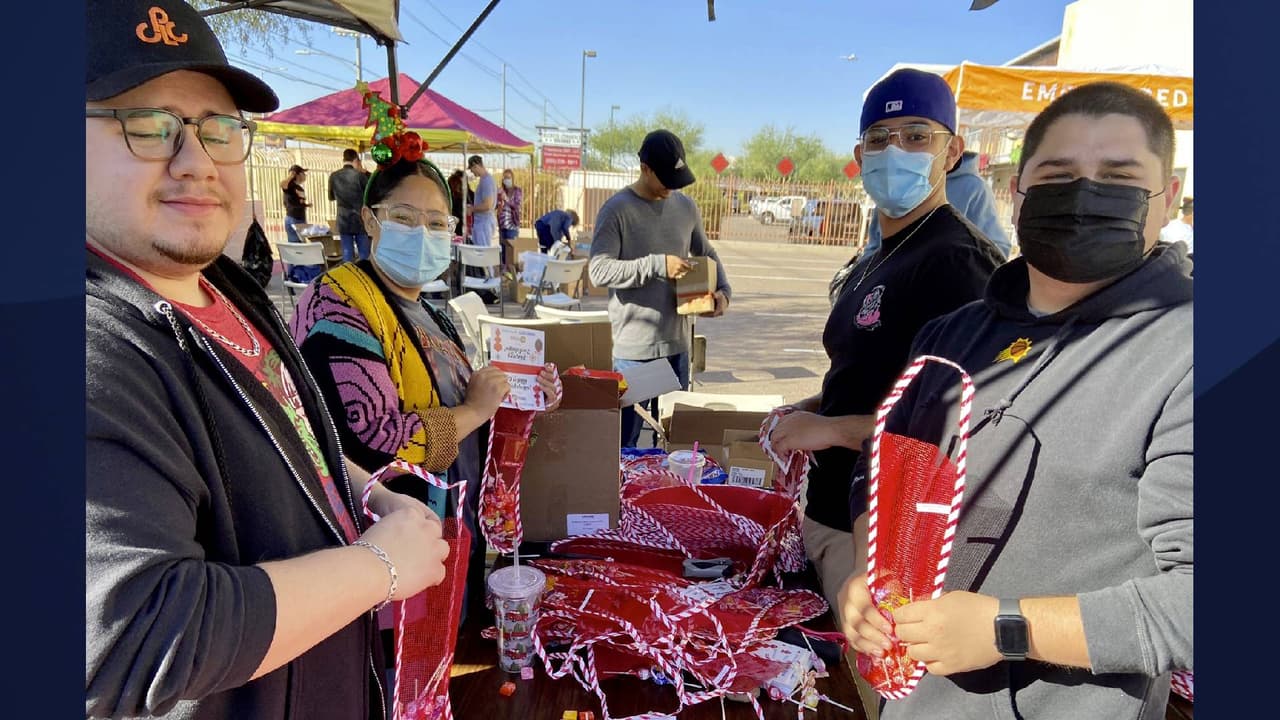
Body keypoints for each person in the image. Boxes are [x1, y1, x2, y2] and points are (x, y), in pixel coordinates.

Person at [85, 3, 450, 718]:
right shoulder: (88, 349)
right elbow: (138, 635)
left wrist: (364, 494)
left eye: (219, 130)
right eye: (149, 125)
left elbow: (291, 424)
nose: (196, 161)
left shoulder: (220, 287)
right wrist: (379, 566)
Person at [838, 81, 1192, 720]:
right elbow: (881, 471)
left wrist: (1007, 628)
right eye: (1058, 173)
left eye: (1118, 174)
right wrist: (869, 575)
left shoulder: (1191, 354)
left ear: (1167, 197)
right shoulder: (953, 334)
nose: (1084, 194)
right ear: (1019, 192)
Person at [767, 68, 1003, 720]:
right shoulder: (879, 254)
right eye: (880, 137)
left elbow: (962, 421)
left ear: (951, 151)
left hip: (881, 544)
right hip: (833, 514)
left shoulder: (956, 262)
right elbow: (872, 373)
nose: (895, 150)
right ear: (859, 156)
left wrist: (837, 430)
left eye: (916, 135)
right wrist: (810, 410)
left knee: (885, 699)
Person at [289, 151, 563, 614]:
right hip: (385, 558)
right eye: (403, 217)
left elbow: (466, 409)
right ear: (369, 221)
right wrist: (477, 409)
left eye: (437, 223)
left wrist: (523, 394)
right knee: (404, 679)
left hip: (445, 539)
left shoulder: (435, 314)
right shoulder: (339, 303)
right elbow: (374, 439)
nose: (422, 234)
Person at [589, 129, 732, 447]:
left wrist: (723, 292)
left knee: (676, 442)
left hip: (678, 347)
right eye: (665, 178)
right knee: (625, 446)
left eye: (677, 179)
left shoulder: (685, 207)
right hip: (634, 352)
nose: (672, 188)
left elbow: (706, 252)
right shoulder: (617, 210)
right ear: (645, 168)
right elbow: (598, 270)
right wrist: (656, 266)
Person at [864, 150, 1011, 258]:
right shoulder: (894, 184)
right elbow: (874, 245)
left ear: (952, 148)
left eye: (917, 137)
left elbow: (997, 251)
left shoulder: (974, 188)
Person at [329, 148, 373, 261]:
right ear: (355, 159)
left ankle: (348, 276)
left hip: (343, 220)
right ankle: (363, 276)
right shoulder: (359, 176)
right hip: (359, 219)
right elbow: (370, 193)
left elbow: (331, 197)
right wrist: (366, 172)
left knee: (347, 254)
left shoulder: (333, 176)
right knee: (364, 254)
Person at [467, 155, 498, 248]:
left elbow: (487, 205)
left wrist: (472, 209)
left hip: (484, 223)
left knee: (482, 254)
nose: (472, 172)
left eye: (471, 169)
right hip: (483, 222)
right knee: (481, 252)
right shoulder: (485, 180)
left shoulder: (486, 181)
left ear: (475, 165)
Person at [497, 168, 524, 271]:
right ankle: (504, 272)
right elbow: (497, 205)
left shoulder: (517, 191)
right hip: (502, 225)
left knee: (512, 250)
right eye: (504, 178)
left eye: (508, 178)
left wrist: (506, 199)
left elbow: (517, 206)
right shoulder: (501, 191)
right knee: (503, 250)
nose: (506, 180)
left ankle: (512, 271)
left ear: (512, 178)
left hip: (512, 225)